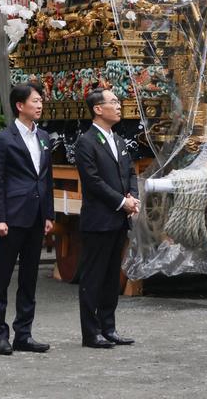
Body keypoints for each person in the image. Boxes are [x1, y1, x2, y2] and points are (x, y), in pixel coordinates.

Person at [0, 82, 54, 356]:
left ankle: (23, 334)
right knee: (2, 277)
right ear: (20, 105)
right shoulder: (3, 139)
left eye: (41, 101)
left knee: (29, 279)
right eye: (35, 101)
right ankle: (0, 335)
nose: (39, 105)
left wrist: (49, 213)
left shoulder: (45, 137)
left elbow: (46, 178)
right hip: (12, 217)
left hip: (37, 217)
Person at [75, 87, 140, 349]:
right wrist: (121, 201)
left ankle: (108, 327)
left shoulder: (119, 140)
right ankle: (90, 333)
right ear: (98, 109)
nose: (118, 105)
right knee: (93, 277)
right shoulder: (86, 141)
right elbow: (93, 181)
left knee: (112, 276)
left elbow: (130, 173)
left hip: (118, 220)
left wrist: (133, 197)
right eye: (113, 102)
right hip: (99, 219)